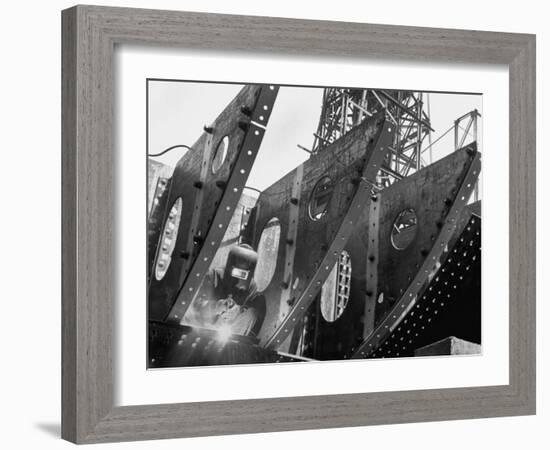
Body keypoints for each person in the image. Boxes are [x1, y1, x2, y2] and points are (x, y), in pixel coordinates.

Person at [188, 244, 266, 338]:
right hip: (206, 331)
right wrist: (216, 307)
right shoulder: (213, 275)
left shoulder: (251, 286)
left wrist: (238, 310)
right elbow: (196, 307)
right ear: (230, 264)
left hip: (232, 334)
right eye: (237, 271)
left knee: (252, 313)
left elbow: (249, 311)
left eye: (243, 273)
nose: (238, 278)